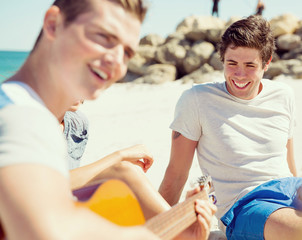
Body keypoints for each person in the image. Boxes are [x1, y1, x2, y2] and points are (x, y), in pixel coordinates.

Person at [0, 0, 216, 239]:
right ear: (53, 25)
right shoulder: (18, 117)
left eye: (127, 52)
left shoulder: (31, 114)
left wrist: (174, 228)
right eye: (104, 37)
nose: (117, 62)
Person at [158, 14, 302, 240]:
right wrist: (154, 231)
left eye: (250, 65)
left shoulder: (283, 94)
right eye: (231, 63)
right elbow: (176, 175)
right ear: (222, 60)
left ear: (266, 63)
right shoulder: (196, 100)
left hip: (293, 189)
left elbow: (287, 162)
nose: (239, 74)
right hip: (246, 207)